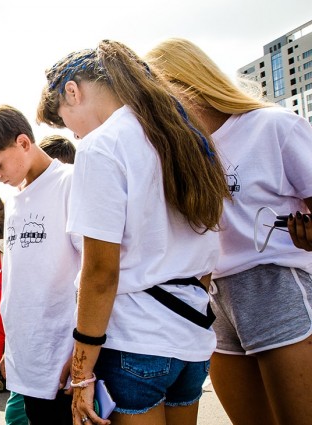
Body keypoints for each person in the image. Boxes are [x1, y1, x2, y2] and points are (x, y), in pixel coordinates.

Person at [36, 39, 231, 425]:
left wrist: (81, 372)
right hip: (191, 343)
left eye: (64, 120)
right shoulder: (185, 137)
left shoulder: (103, 146)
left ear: (72, 92)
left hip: (134, 344)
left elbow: (100, 274)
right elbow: (208, 246)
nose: (73, 134)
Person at [145, 38, 312, 425]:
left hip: (274, 285)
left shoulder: (273, 126)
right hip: (212, 299)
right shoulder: (179, 154)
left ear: (185, 83)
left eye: (155, 99)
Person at [0, 105, 82, 425]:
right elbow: (20, 283)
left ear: (24, 143)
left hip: (65, 365)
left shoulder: (72, 183)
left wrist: (84, 352)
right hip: (27, 364)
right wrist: (12, 350)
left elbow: (96, 273)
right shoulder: (15, 202)